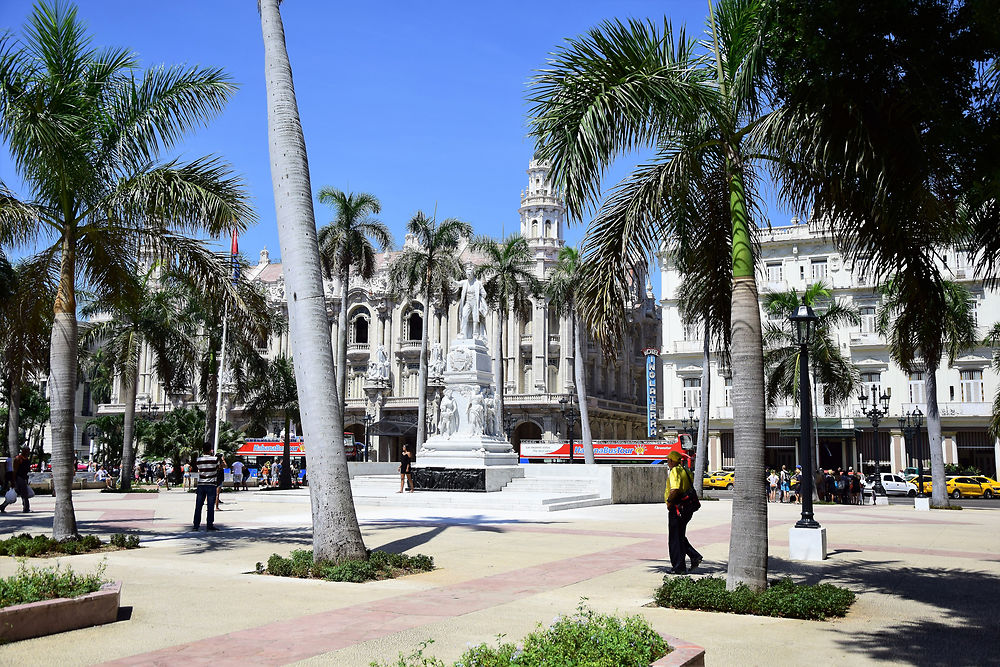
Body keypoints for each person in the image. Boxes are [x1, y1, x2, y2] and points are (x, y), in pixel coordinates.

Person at [664, 451, 702, 575]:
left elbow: (675, 490)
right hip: (687, 508)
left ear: (672, 461)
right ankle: (694, 556)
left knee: (675, 538)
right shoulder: (685, 470)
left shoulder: (675, 471)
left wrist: (669, 502)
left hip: (677, 508)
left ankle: (678, 567)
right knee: (679, 536)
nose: (668, 462)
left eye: (668, 460)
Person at [192, 446, 219, 532]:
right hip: (211, 484)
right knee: (210, 506)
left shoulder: (198, 460)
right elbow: (220, 467)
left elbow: (198, 469)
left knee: (198, 506)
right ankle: (209, 525)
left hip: (201, 484)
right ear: (210, 450)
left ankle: (196, 525)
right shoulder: (215, 459)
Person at [0, 448, 31, 513]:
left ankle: (2, 506)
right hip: (19, 478)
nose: (28, 452)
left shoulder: (26, 459)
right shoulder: (18, 459)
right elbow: (15, 470)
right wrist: (13, 481)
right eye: (27, 451)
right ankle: (26, 508)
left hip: (24, 478)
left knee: (15, 493)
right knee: (24, 494)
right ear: (23, 451)